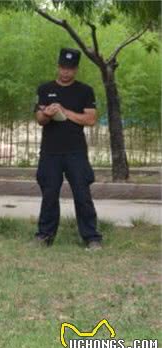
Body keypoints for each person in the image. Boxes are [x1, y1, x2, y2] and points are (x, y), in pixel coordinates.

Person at [34, 48, 103, 250]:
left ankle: (91, 237)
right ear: (58, 66)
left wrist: (65, 111)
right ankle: (44, 235)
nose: (66, 72)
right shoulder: (44, 89)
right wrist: (47, 112)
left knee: (82, 195)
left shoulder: (85, 91)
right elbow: (39, 119)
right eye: (63, 68)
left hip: (76, 152)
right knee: (49, 195)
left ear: (76, 70)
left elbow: (90, 119)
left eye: (70, 69)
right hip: (50, 152)